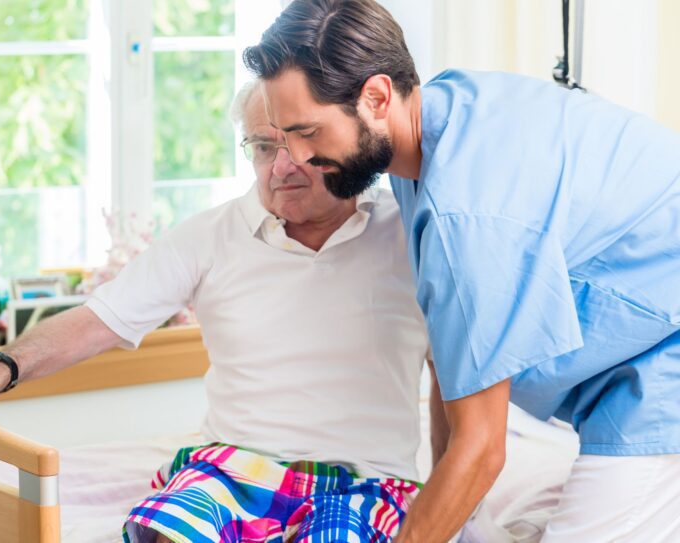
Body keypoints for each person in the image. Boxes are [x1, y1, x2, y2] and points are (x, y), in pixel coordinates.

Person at [0, 82, 430, 543]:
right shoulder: (209, 236)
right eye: (263, 146)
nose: (282, 165)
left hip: (367, 476)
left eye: (299, 142)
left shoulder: (407, 230)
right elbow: (96, 321)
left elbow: (461, 368)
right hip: (234, 468)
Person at [243, 1, 680, 542]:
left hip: (664, 365)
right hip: (633, 359)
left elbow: (482, 450)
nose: (299, 158)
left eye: (309, 132)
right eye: (285, 137)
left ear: (377, 96)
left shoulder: (464, 215)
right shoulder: (434, 122)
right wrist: (450, 519)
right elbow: (452, 361)